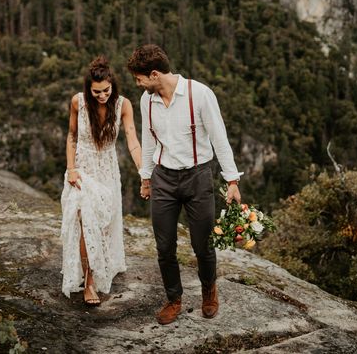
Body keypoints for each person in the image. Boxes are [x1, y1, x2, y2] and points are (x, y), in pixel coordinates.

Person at [127, 44, 243, 325]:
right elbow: (149, 139)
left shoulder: (200, 94)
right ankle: (174, 299)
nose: (138, 83)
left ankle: (208, 291)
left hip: (198, 177)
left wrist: (232, 180)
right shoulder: (147, 100)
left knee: (202, 244)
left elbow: (219, 138)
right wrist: (146, 178)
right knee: (164, 246)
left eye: (140, 78)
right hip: (163, 179)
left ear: (154, 74)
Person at [60, 56, 142, 305]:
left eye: (106, 90)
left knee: (104, 224)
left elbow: (132, 139)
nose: (102, 95)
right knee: (86, 223)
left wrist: (143, 171)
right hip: (83, 170)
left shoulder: (123, 105)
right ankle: (90, 281)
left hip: (107, 170)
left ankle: (101, 266)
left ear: (112, 86)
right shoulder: (78, 102)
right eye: (96, 92)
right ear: (89, 89)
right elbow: (72, 136)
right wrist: (71, 168)